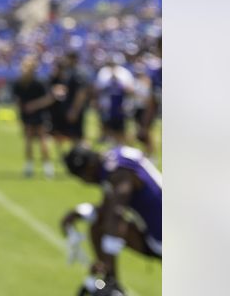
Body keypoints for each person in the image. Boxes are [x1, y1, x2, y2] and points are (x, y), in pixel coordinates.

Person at [60, 145, 161, 292]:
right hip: (158, 232)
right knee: (99, 224)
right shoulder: (113, 161)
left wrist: (108, 264)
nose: (84, 182)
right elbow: (108, 207)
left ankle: (111, 283)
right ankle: (109, 280)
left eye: (82, 177)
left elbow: (115, 212)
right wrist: (78, 212)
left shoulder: (119, 171)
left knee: (106, 223)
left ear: (89, 167)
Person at [11, 55, 55, 178]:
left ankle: (47, 166)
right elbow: (18, 101)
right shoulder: (19, 83)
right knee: (29, 139)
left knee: (42, 139)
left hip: (39, 114)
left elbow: (49, 99)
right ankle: (29, 166)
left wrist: (33, 105)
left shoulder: (39, 83)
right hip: (27, 115)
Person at [49, 51, 90, 152]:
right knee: (70, 135)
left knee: (77, 136)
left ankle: (84, 154)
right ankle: (76, 154)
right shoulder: (69, 72)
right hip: (68, 109)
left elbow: (81, 93)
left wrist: (74, 110)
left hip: (74, 110)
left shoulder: (78, 73)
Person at [94, 54, 135, 145]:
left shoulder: (125, 73)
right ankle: (108, 145)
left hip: (120, 105)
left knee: (120, 128)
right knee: (105, 125)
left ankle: (120, 145)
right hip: (106, 105)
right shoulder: (103, 72)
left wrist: (119, 83)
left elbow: (131, 90)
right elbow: (97, 89)